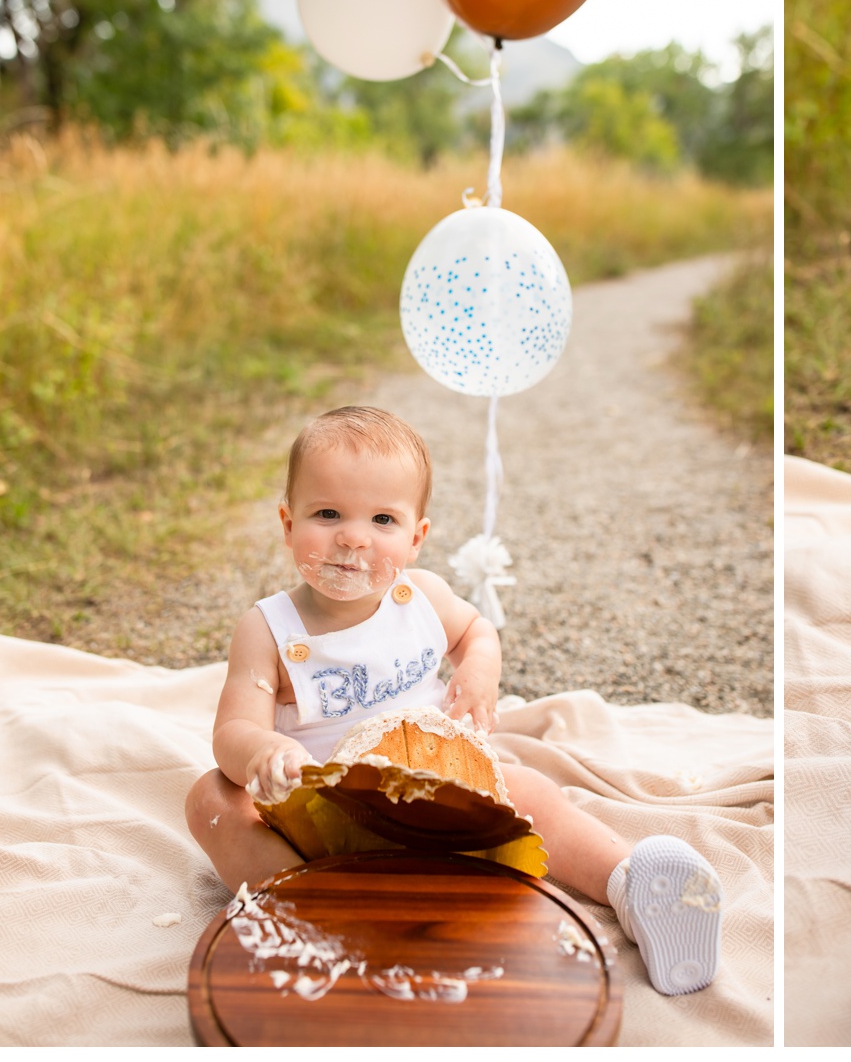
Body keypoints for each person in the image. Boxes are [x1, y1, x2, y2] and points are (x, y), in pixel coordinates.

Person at [183, 405, 724, 996]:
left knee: (531, 792)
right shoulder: (269, 630)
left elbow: (476, 633)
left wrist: (478, 673)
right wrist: (262, 751)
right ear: (288, 524)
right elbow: (232, 731)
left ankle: (630, 883)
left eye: (383, 519)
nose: (353, 536)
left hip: (443, 793)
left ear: (416, 538)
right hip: (321, 824)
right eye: (327, 513)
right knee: (211, 796)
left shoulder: (424, 598)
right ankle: (306, 908)